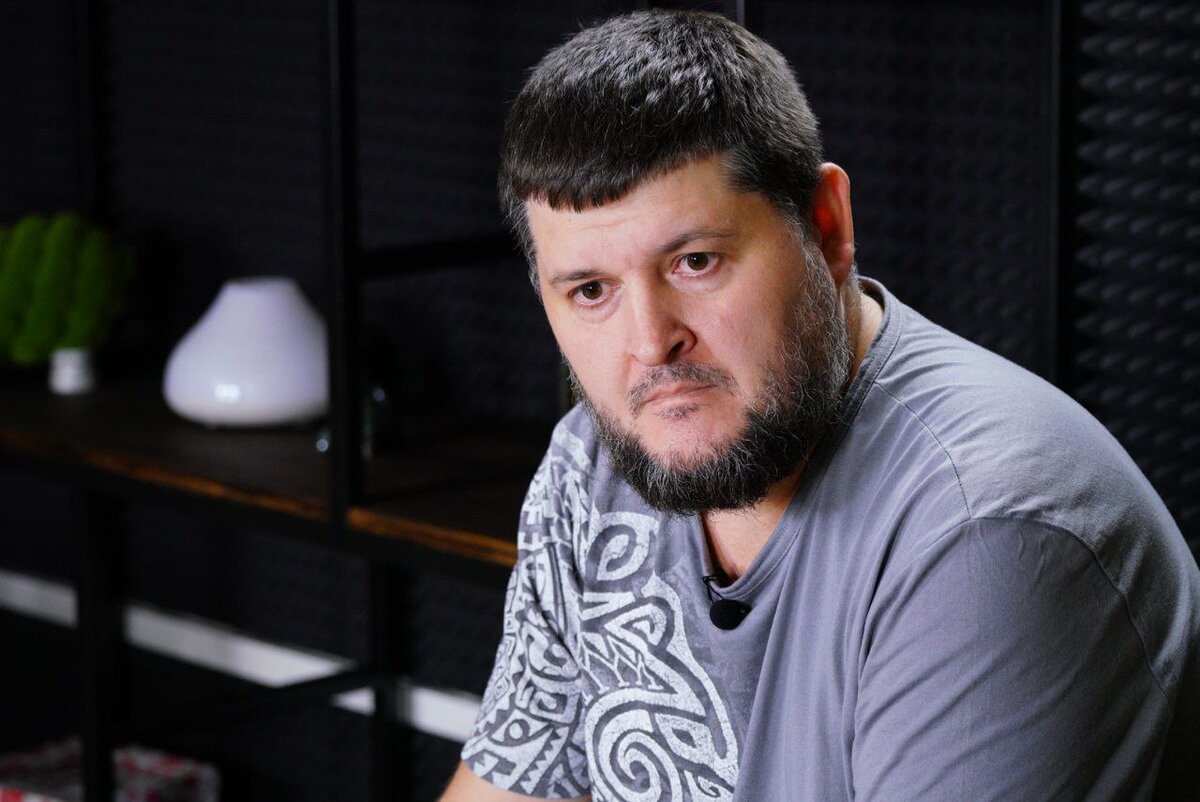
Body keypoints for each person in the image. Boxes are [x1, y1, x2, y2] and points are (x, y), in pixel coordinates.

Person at [440, 9, 1200, 801]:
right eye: (591, 290)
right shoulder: (592, 466)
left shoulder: (988, 531)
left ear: (827, 227)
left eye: (696, 261)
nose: (651, 344)